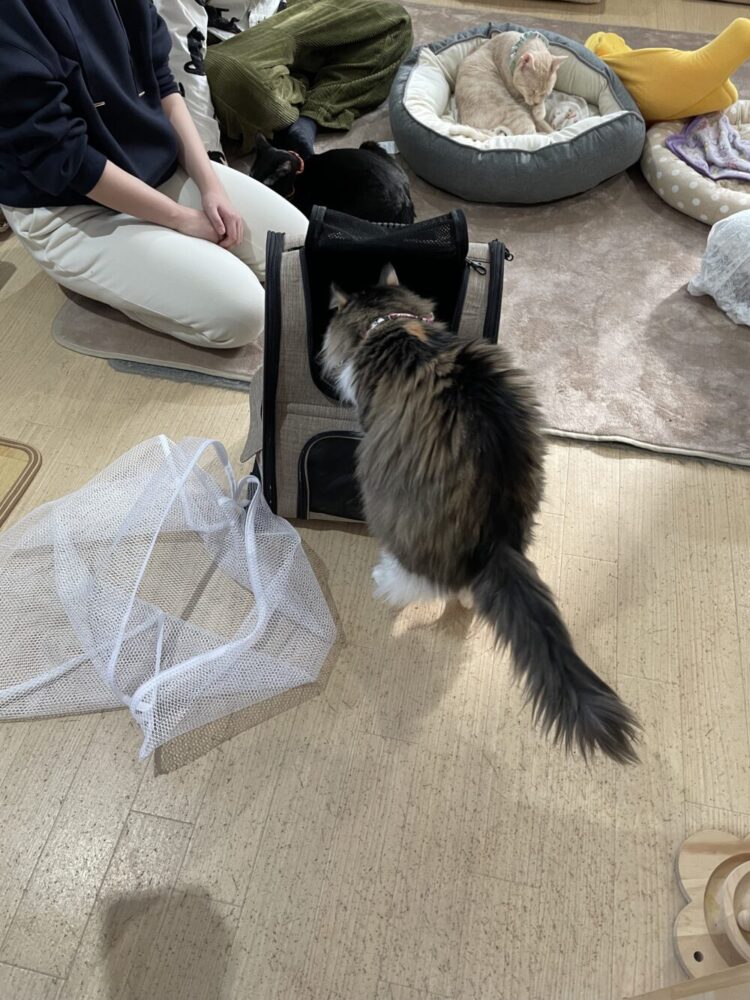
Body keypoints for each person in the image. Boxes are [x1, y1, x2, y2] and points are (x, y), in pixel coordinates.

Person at [0, 0, 307, 350]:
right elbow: (65, 159)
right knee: (245, 314)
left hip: (152, 164)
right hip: (66, 207)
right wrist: (180, 219)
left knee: (299, 247)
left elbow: (162, 80)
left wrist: (211, 185)